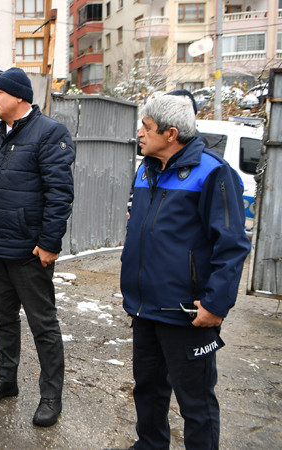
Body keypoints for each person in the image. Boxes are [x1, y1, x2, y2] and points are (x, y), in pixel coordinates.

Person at [121, 95, 251, 448]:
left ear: (171, 133)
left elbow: (233, 244)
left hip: (188, 311)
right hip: (146, 306)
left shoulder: (213, 172)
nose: (140, 134)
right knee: (147, 388)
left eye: (146, 128)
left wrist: (215, 305)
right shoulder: (146, 168)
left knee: (195, 401)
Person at [0, 68, 75, 427]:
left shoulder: (51, 133)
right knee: (4, 320)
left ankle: (50, 396)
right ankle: (6, 380)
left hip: (30, 252)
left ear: (19, 97)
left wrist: (48, 244)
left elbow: (59, 195)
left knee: (43, 325)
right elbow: (8, 190)